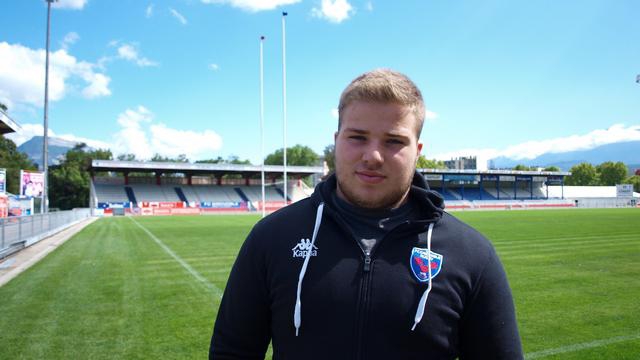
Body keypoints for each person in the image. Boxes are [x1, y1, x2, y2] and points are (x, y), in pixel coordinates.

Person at [210, 69, 523, 359]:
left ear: (418, 151)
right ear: (336, 142)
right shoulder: (272, 237)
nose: (373, 156)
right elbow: (232, 351)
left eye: (394, 142)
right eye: (357, 137)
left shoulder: (472, 254)